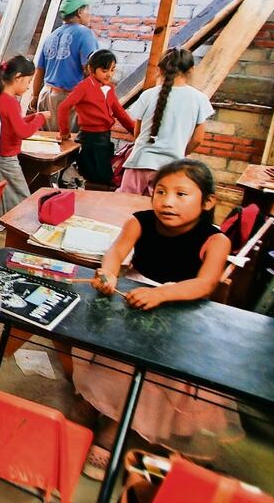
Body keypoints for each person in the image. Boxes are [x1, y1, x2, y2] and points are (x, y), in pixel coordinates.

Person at [72, 159, 240, 478]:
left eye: (181, 194)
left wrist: (162, 294)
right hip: (134, 301)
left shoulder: (216, 240)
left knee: (150, 375)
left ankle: (117, 426)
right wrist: (108, 272)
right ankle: (94, 404)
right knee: (113, 356)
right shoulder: (140, 222)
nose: (167, 201)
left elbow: (204, 284)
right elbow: (117, 252)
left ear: (208, 202)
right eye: (160, 191)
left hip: (179, 314)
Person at [118, 48, 213, 196]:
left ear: (160, 70)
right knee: (158, 213)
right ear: (191, 69)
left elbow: (137, 133)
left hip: (139, 163)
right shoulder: (200, 99)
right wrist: (180, 151)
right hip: (171, 168)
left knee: (124, 209)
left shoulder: (148, 95)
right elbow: (198, 140)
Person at [57, 49, 134, 186]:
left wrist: (135, 130)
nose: (109, 74)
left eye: (112, 70)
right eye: (105, 71)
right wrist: (64, 132)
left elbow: (119, 112)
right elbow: (63, 107)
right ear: (91, 69)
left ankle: (78, 170)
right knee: (102, 177)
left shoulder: (109, 88)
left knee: (103, 174)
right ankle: (75, 170)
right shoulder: (84, 86)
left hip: (105, 137)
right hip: (90, 138)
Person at [31, 0, 100, 131]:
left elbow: (39, 70)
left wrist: (35, 96)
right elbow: (90, 70)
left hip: (46, 95)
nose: (89, 14)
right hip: (69, 98)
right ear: (79, 12)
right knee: (67, 145)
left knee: (47, 145)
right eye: (87, 9)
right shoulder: (85, 33)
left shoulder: (51, 36)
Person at [0, 56, 48, 216]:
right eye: (28, 81)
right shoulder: (10, 102)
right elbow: (23, 131)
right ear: (17, 77)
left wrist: (33, 117)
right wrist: (40, 118)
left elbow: (14, 123)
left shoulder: (1, 98)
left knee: (0, 195)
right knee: (23, 198)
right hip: (6, 158)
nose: (29, 86)